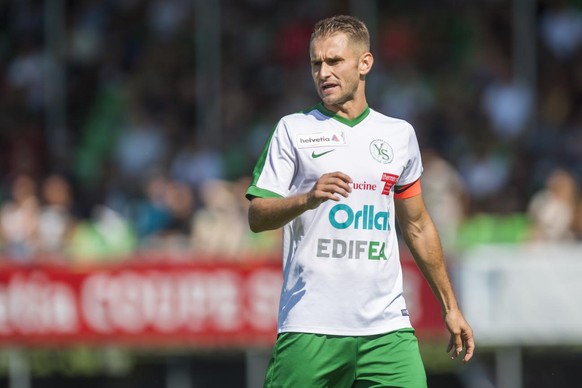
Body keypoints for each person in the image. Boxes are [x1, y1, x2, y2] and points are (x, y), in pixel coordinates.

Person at [246, 15, 474, 387]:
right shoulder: (293, 129)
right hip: (310, 327)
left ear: (364, 63)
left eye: (334, 61)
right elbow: (257, 216)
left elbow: (416, 225)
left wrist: (450, 307)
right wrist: (307, 199)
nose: (323, 72)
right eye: (316, 63)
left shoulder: (399, 135)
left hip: (387, 331)